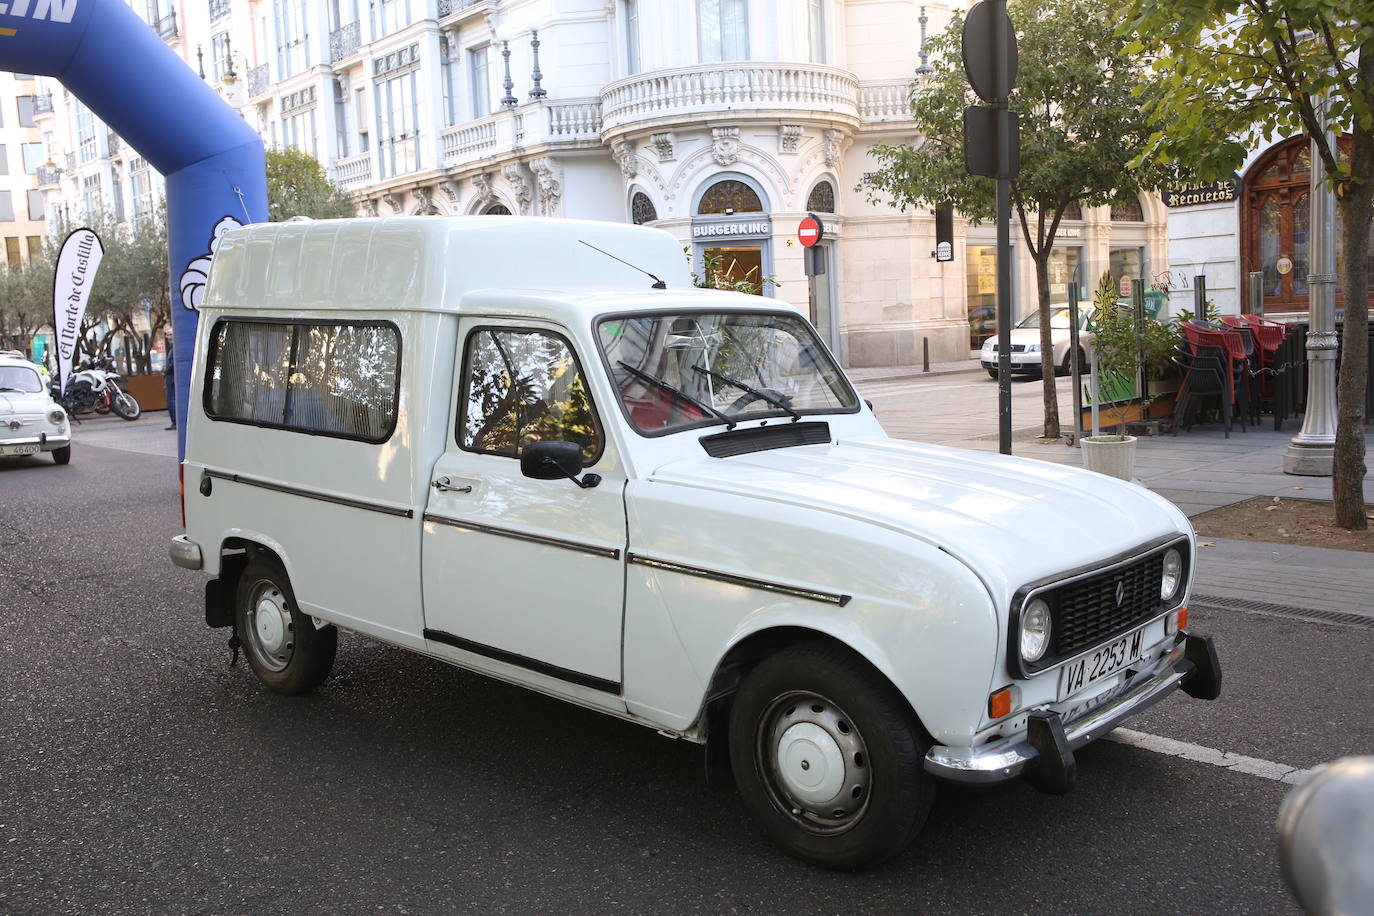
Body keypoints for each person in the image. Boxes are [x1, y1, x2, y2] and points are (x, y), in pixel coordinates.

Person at [163, 330, 176, 430]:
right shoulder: (172, 347)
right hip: (171, 376)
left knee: (171, 399)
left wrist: (166, 372)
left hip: (171, 376)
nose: (168, 337)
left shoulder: (174, 348)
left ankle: (175, 421)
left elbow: (172, 364)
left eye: (170, 334)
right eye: (167, 335)